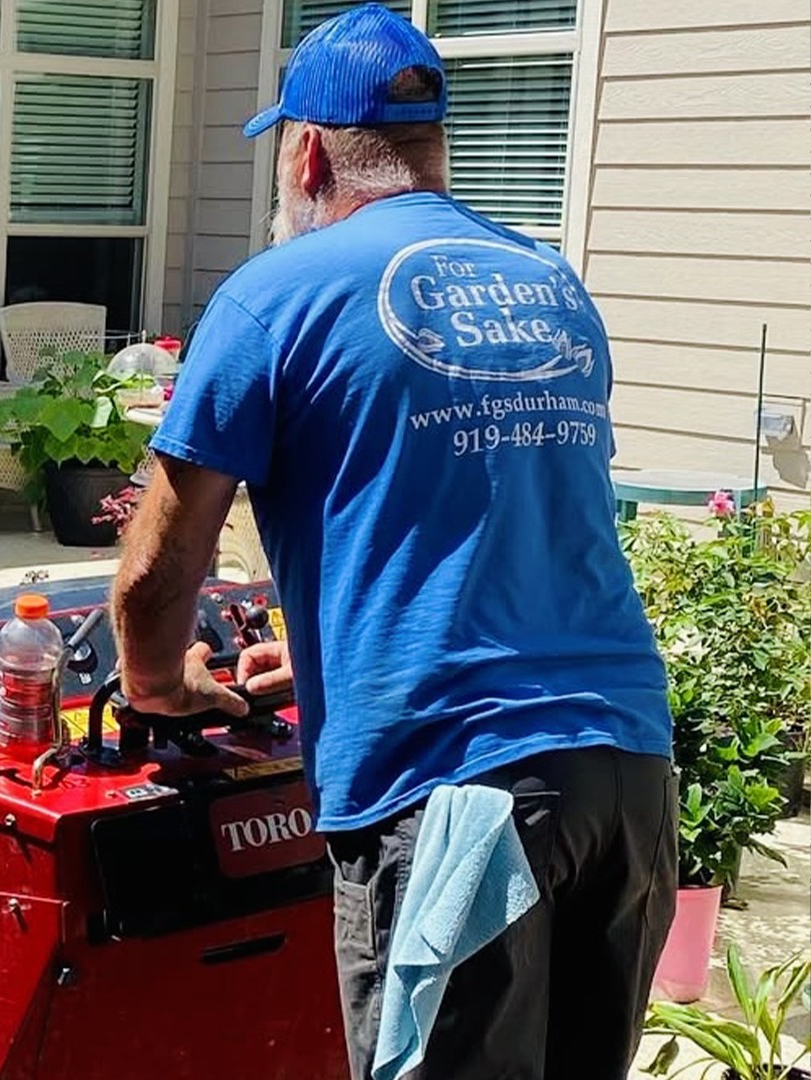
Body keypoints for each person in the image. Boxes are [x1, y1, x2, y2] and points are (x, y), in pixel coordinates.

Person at [109, 6, 677, 1079]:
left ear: (308, 151)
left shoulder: (274, 295)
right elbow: (493, 516)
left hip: (459, 793)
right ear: (434, 146)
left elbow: (157, 576)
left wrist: (161, 688)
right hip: (627, 769)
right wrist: (322, 657)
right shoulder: (550, 286)